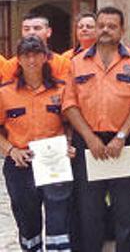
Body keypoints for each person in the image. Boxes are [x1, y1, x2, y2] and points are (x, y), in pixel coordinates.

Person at [63, 7, 130, 252]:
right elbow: (69, 104)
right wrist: (90, 139)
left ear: (121, 30)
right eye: (101, 25)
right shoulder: (77, 63)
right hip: (88, 144)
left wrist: (121, 136)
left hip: (123, 142)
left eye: (112, 26)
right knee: (89, 213)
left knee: (125, 213)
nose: (105, 30)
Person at [0, 36, 74, 252]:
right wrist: (11, 150)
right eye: (26, 55)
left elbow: (71, 124)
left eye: (36, 54)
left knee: (59, 218)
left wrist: (68, 144)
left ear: (45, 57)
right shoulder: (5, 93)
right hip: (21, 165)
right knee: (27, 220)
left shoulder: (60, 90)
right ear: (19, 60)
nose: (31, 60)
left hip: (54, 164)